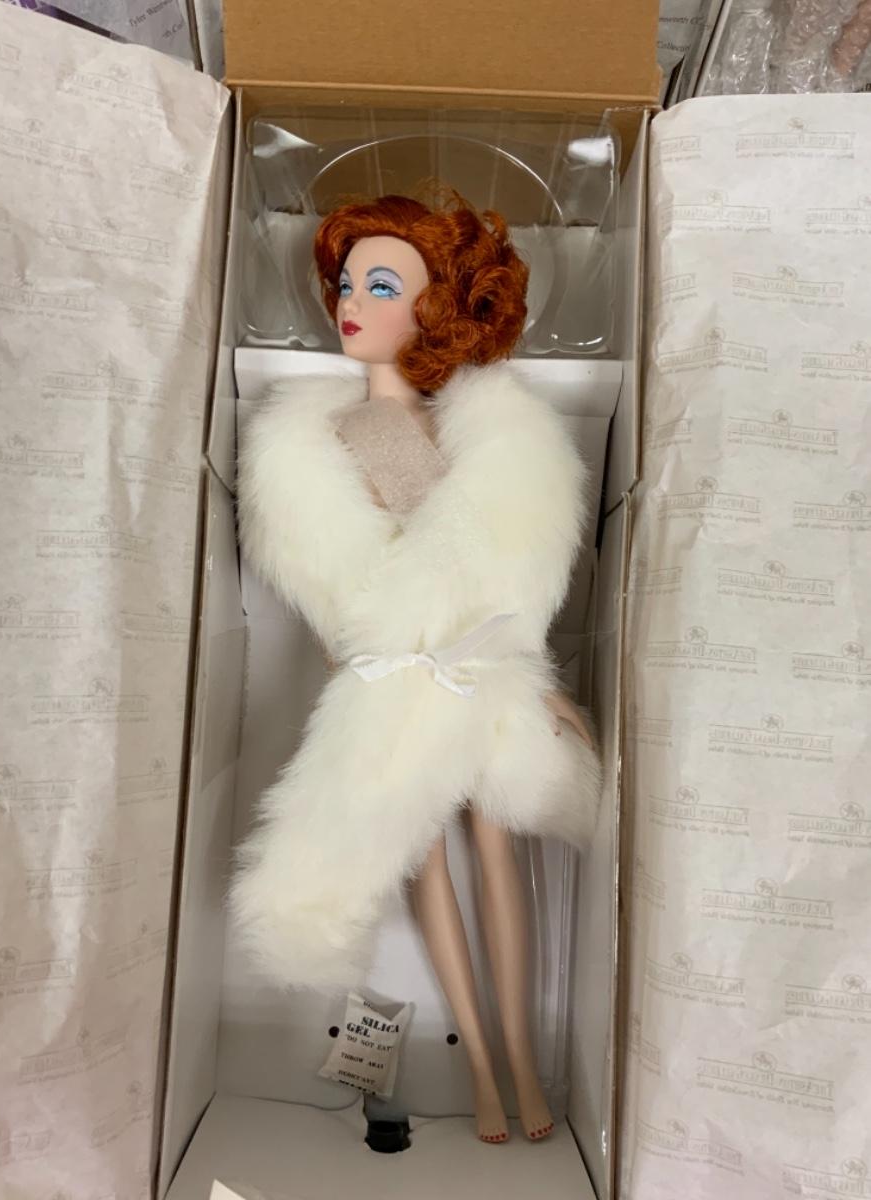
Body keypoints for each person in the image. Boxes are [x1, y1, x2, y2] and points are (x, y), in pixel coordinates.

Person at [231, 192, 601, 1144]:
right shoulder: (323, 446)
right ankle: (482, 1069)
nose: (351, 303)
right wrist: (365, 648)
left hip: (471, 670)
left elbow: (493, 576)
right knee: (426, 856)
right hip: (395, 683)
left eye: (381, 286)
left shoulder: (472, 435)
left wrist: (540, 682)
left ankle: (520, 1062)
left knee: (492, 848)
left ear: (438, 304)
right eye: (347, 284)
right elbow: (340, 589)